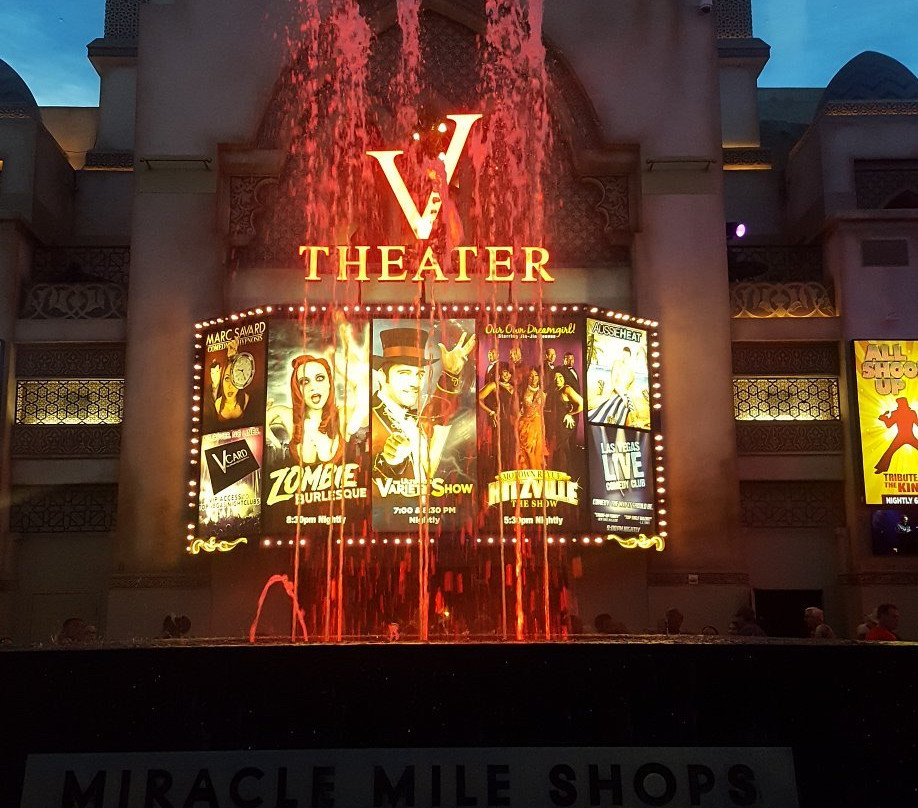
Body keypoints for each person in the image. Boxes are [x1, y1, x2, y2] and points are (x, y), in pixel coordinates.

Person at [371, 326, 475, 481]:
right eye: (404, 373)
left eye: (419, 374)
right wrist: (392, 461)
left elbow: (438, 413)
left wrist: (451, 373)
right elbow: (373, 463)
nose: (415, 383)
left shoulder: (412, 417)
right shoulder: (369, 418)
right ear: (382, 376)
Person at [478, 362, 517, 471]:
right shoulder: (493, 385)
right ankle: (498, 473)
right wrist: (491, 412)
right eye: (505, 372)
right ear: (499, 372)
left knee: (511, 450)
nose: (507, 375)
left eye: (509, 373)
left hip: (512, 423)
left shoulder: (513, 386)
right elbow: (478, 398)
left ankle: (508, 472)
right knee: (500, 449)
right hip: (499, 421)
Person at [874, 397, 918, 474]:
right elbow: (889, 425)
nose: (898, 405)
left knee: (890, 451)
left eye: (899, 403)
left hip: (905, 436)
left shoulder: (899, 413)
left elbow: (888, 424)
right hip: (904, 436)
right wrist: (885, 418)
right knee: (889, 451)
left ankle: (881, 468)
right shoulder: (909, 412)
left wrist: (884, 418)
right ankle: (881, 468)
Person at [551, 370, 583, 468]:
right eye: (555, 378)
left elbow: (582, 403)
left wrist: (570, 414)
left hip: (564, 426)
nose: (558, 380)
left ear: (565, 378)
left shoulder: (567, 389)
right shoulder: (555, 390)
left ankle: (567, 473)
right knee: (559, 453)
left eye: (560, 377)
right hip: (557, 426)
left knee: (564, 452)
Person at [517, 367, 546, 470]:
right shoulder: (522, 391)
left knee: (537, 450)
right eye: (531, 376)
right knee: (527, 449)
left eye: (536, 375)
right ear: (527, 378)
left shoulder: (543, 392)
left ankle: (537, 473)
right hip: (525, 425)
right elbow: (517, 409)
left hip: (538, 424)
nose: (534, 378)